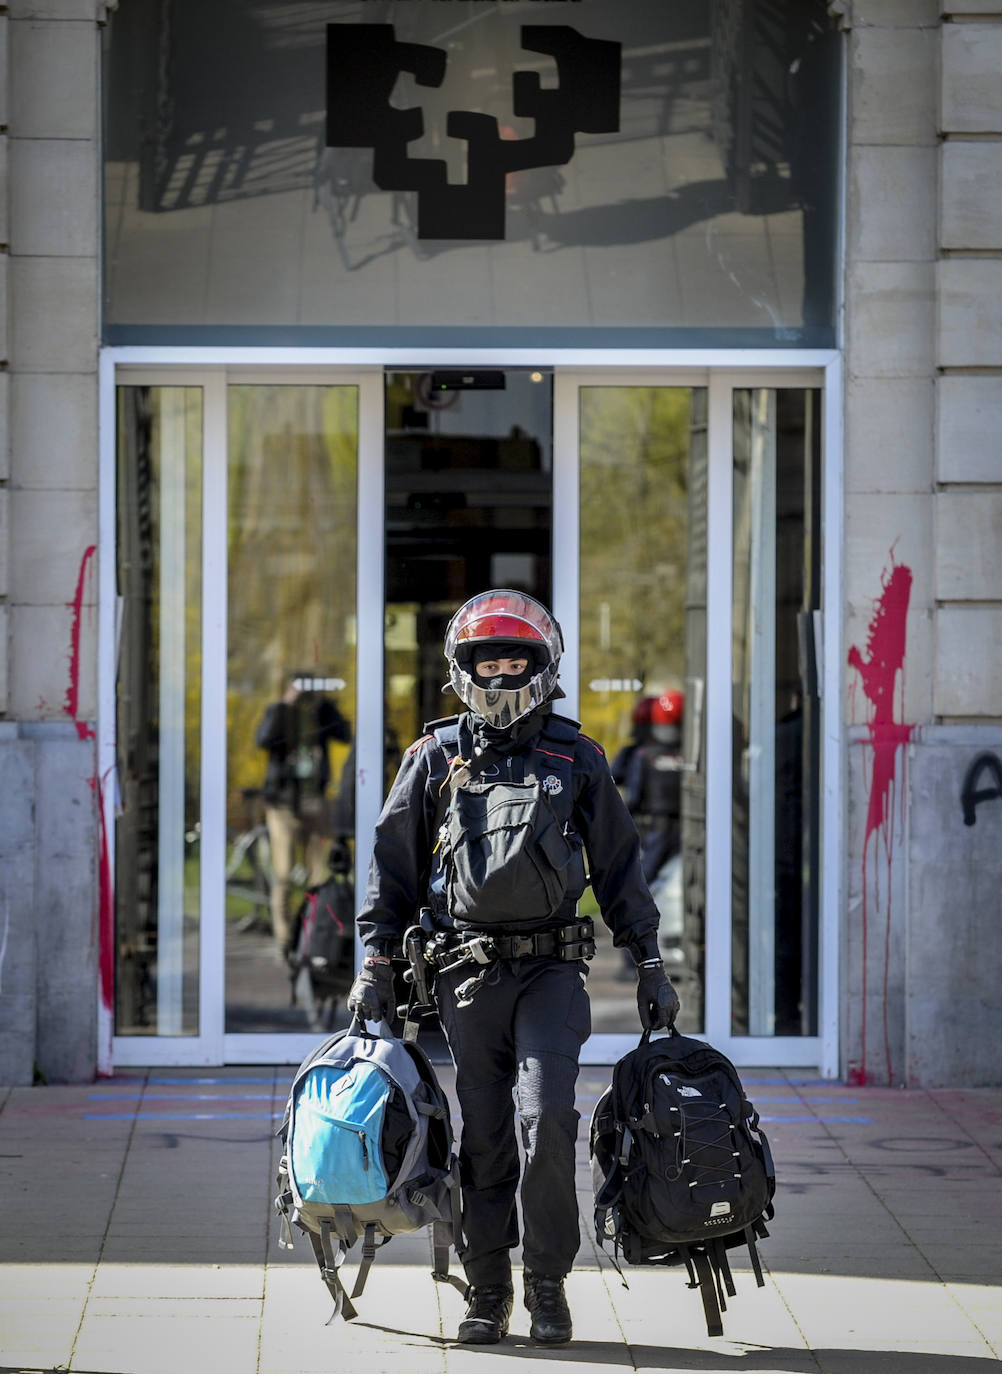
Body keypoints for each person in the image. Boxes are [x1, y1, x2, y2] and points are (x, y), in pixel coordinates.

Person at [347, 590, 680, 1346]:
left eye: (514, 662)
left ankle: (549, 1286)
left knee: (547, 1121)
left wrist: (652, 964)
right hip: (465, 974)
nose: (500, 676)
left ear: (543, 667)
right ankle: (488, 1290)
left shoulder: (577, 756)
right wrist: (375, 961)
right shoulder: (433, 756)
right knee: (488, 1133)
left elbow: (622, 872)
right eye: (487, 662)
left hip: (553, 974)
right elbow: (390, 870)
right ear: (463, 670)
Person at [255, 673, 351, 953]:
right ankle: (285, 938)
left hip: (314, 800)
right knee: (283, 873)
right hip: (283, 804)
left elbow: (345, 734)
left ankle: (315, 933)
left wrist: (326, 704)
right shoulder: (278, 712)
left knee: (320, 872)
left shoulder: (321, 712)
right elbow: (264, 739)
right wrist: (286, 704)